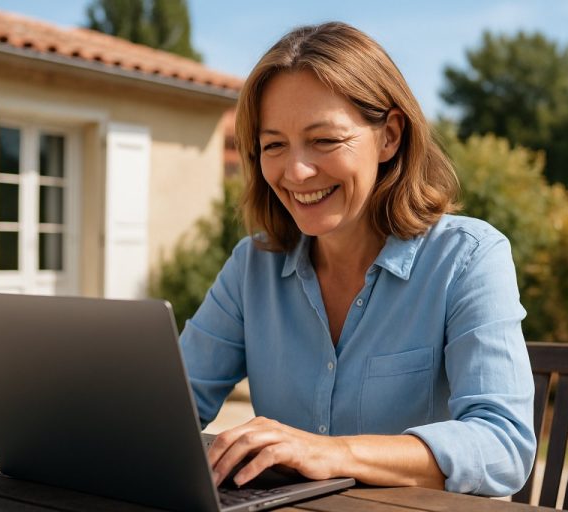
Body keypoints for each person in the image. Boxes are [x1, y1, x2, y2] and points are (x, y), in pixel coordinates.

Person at [179, 22, 536, 496]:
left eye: (324, 140)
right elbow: (169, 408)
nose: (296, 171)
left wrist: (331, 452)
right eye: (274, 145)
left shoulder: (469, 258)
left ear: (389, 136)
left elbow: (504, 444)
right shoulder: (252, 266)